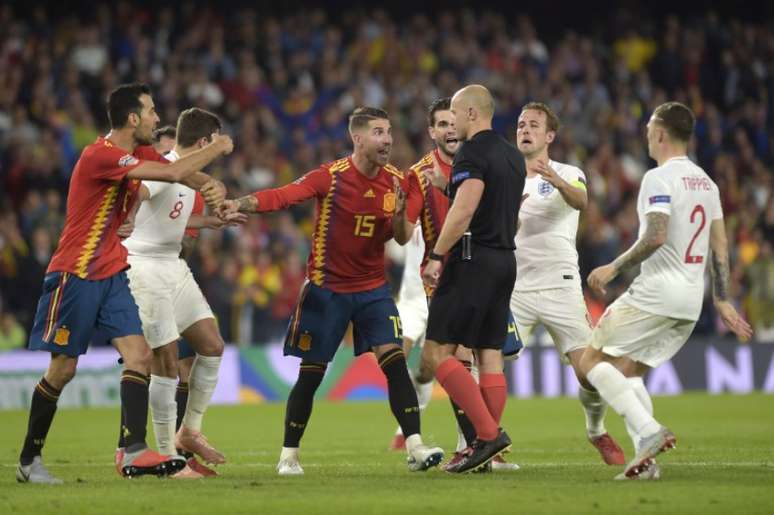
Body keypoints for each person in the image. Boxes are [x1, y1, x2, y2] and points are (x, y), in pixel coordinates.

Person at [15, 82, 232, 484]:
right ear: (133, 118)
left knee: (139, 355)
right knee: (62, 371)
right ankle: (30, 460)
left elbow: (178, 171)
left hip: (114, 271)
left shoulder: (137, 153)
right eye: (150, 112)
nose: (155, 118)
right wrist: (217, 147)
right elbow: (170, 171)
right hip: (76, 272)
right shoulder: (100, 156)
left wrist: (208, 183)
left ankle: (133, 451)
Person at [220, 107, 444, 475]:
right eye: (378, 132)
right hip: (328, 290)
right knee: (312, 374)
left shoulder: (396, 182)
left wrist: (402, 217)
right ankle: (288, 455)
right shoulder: (332, 177)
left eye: (388, 131)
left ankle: (415, 446)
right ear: (357, 138)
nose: (387, 139)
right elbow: (284, 195)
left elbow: (403, 238)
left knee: (395, 362)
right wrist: (239, 203)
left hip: (373, 289)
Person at [579, 101, 753, 480]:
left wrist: (613, 266)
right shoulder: (707, 182)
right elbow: (719, 244)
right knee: (626, 373)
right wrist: (721, 298)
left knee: (590, 362)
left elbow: (656, 235)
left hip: (658, 291)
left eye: (648, 130)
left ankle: (648, 432)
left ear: (660, 133)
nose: (645, 136)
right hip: (691, 299)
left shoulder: (658, 178)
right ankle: (645, 465)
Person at [391, 98, 520, 472]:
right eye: (442, 123)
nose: (452, 127)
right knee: (488, 355)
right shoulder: (510, 155)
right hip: (504, 259)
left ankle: (486, 437)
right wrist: (444, 189)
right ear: (432, 130)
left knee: (437, 356)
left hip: (467, 262)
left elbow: (464, 211)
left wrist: (436, 256)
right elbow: (488, 207)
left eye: (456, 117)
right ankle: (483, 446)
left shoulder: (471, 155)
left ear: (470, 114)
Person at [121, 108, 246, 478]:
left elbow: (167, 214)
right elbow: (139, 190)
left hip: (173, 267)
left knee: (211, 344)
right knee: (166, 359)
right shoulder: (164, 168)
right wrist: (124, 217)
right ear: (206, 142)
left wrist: (210, 219)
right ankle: (166, 457)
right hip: (144, 267)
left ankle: (189, 430)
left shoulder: (185, 176)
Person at [509, 102, 625, 466]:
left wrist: (556, 182)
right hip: (515, 288)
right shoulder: (505, 176)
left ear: (549, 136)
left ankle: (596, 430)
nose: (525, 130)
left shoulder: (568, 171)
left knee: (589, 371)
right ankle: (484, 441)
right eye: (520, 124)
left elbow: (582, 200)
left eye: (533, 125)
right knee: (485, 361)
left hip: (560, 286)